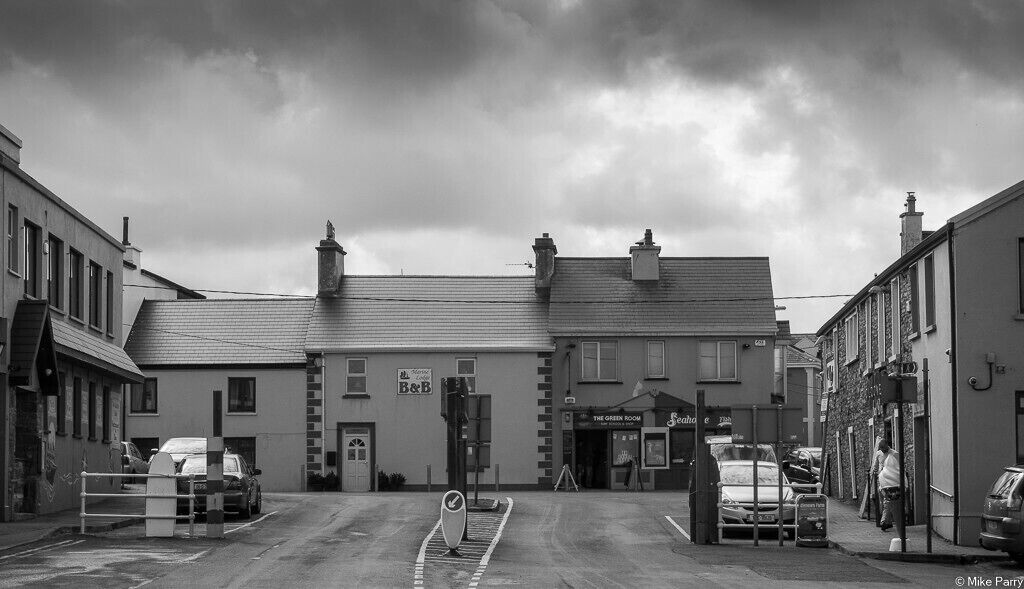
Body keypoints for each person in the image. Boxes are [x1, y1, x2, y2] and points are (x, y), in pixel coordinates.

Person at [876, 438, 904, 534]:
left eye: (883, 447)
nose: (882, 450)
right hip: (882, 481)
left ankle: (884, 521)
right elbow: (876, 466)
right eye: (880, 448)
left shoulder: (894, 454)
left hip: (892, 483)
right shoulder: (879, 454)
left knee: (888, 501)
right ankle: (887, 521)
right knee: (884, 502)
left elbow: (899, 467)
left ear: (887, 445)